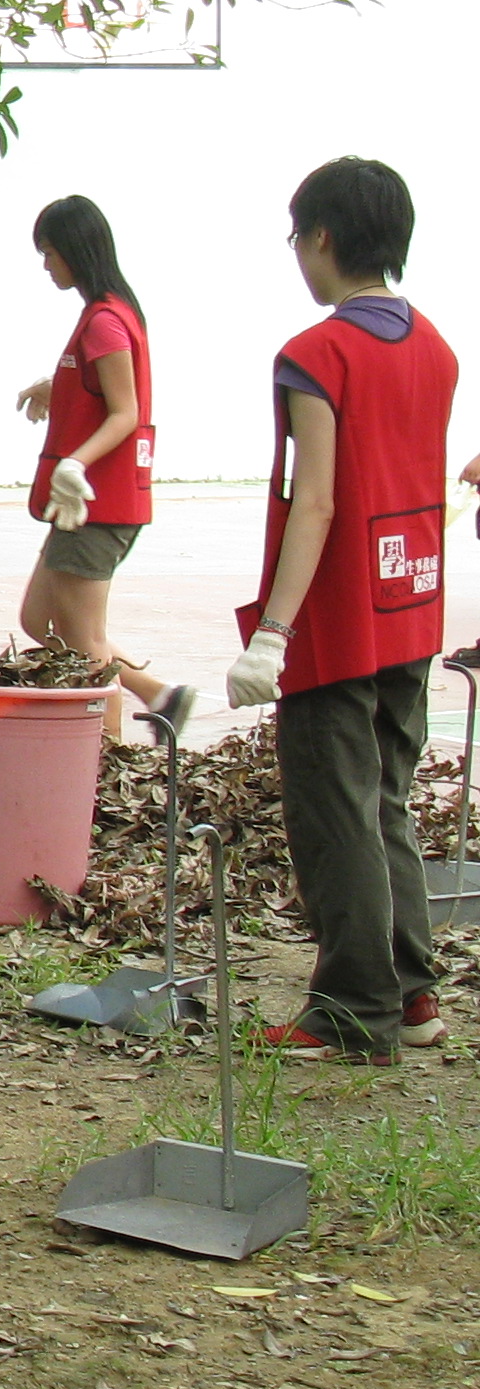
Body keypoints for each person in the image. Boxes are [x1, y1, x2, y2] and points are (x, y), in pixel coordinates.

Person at [227, 158, 459, 1061]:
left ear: (322, 237)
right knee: (388, 801)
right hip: (411, 598)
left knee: (335, 813)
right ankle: (411, 993)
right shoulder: (435, 346)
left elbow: (314, 500)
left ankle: (353, 1008)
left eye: (297, 238)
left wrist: (273, 633)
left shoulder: (316, 354)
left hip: (339, 616)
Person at [9, 196, 179, 739]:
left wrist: (76, 462)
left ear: (75, 252)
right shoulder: (103, 314)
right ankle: (158, 695)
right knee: (39, 620)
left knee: (85, 648)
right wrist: (50, 387)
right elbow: (93, 386)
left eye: (49, 253)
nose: (45, 265)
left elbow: (126, 410)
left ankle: (108, 761)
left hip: (96, 505)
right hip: (81, 507)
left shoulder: (105, 320)